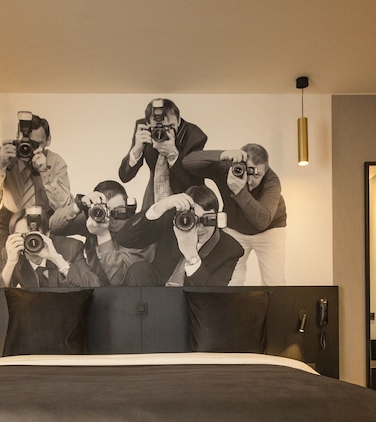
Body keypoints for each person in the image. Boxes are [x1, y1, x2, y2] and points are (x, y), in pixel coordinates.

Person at [0, 111, 72, 273]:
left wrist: (45, 172)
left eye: (37, 144)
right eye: (25, 142)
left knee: (52, 270)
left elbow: (64, 207)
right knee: (5, 270)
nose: (29, 148)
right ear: (17, 137)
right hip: (10, 219)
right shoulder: (2, 158)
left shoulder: (55, 162)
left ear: (48, 141)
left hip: (46, 221)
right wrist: (1, 167)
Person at [183, 144, 287, 285]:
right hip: (235, 228)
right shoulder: (228, 169)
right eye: (247, 172)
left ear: (266, 170)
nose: (249, 181)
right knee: (232, 281)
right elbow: (187, 163)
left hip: (269, 231)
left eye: (257, 175)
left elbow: (262, 221)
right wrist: (222, 154)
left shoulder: (272, 181)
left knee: (274, 281)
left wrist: (239, 191)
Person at [116, 185, 243, 287]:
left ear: (217, 217)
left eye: (207, 220)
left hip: (190, 302)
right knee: (139, 269)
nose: (199, 228)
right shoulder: (172, 223)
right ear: (182, 217)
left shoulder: (230, 249)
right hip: (157, 293)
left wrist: (192, 256)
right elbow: (125, 239)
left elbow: (213, 296)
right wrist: (160, 207)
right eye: (192, 220)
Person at [49, 180, 154, 286]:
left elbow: (120, 280)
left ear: (128, 208)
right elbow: (53, 228)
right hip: (96, 287)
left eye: (118, 211)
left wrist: (103, 236)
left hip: (131, 289)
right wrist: (78, 205)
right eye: (105, 212)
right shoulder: (95, 220)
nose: (111, 218)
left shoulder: (139, 228)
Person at [118, 98, 207, 214]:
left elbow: (195, 185)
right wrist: (137, 149)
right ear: (148, 124)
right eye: (157, 128)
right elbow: (125, 176)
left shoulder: (195, 137)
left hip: (184, 202)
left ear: (178, 120)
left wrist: (173, 156)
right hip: (154, 199)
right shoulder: (143, 129)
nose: (162, 132)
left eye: (169, 127)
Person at [0, 207, 87, 288]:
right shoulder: (12, 253)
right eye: (22, 236)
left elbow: (90, 288)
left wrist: (56, 259)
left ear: (47, 234)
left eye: (33, 235)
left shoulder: (72, 247)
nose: (30, 241)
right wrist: (10, 263)